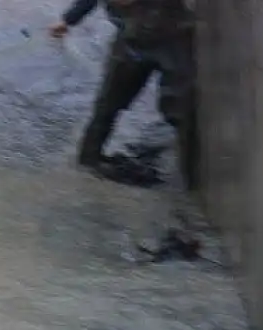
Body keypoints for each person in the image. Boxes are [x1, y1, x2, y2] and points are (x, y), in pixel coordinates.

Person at [49, 0, 198, 190]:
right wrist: (68, 20)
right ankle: (89, 159)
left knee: (178, 108)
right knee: (107, 104)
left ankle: (178, 165)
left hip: (172, 38)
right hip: (131, 41)